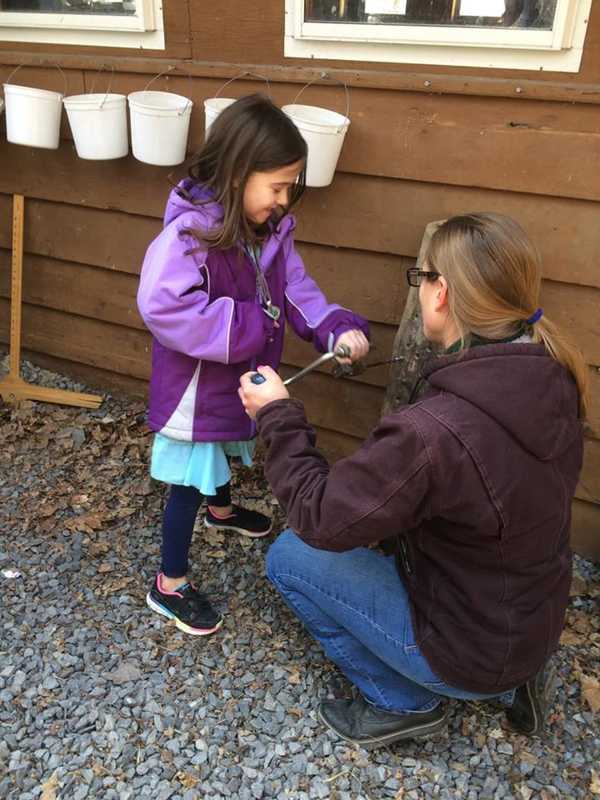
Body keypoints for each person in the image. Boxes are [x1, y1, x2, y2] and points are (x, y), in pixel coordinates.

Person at [238, 212, 587, 748]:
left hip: (468, 653)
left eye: (419, 277)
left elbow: (320, 518)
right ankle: (519, 679)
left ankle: (402, 702)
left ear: (440, 291)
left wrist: (277, 416)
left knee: (290, 556)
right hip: (531, 628)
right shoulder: (554, 374)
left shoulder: (436, 432)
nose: (420, 288)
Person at [137, 94, 369, 637]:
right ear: (239, 174)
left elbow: (299, 293)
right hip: (195, 387)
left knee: (227, 442)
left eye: (291, 186)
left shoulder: (270, 233)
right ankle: (168, 584)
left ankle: (222, 512)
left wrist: (334, 326)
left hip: (238, 374)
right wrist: (245, 326)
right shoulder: (189, 235)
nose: (286, 199)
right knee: (192, 473)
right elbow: (162, 305)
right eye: (278, 185)